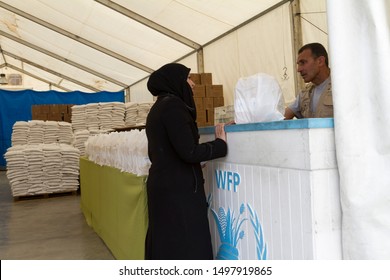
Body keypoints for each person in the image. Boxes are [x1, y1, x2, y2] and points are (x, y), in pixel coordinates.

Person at [145, 63, 228, 260]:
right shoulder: (173, 107)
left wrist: (194, 163)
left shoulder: (159, 107)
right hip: (178, 192)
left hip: (166, 187)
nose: (192, 85)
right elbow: (189, 151)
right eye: (188, 79)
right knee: (187, 244)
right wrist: (219, 144)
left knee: (168, 244)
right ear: (175, 81)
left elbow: (170, 150)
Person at [284, 43, 333, 119]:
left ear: (320, 61)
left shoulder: (342, 87)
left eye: (303, 63)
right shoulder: (304, 94)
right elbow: (282, 117)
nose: (299, 69)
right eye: (298, 64)